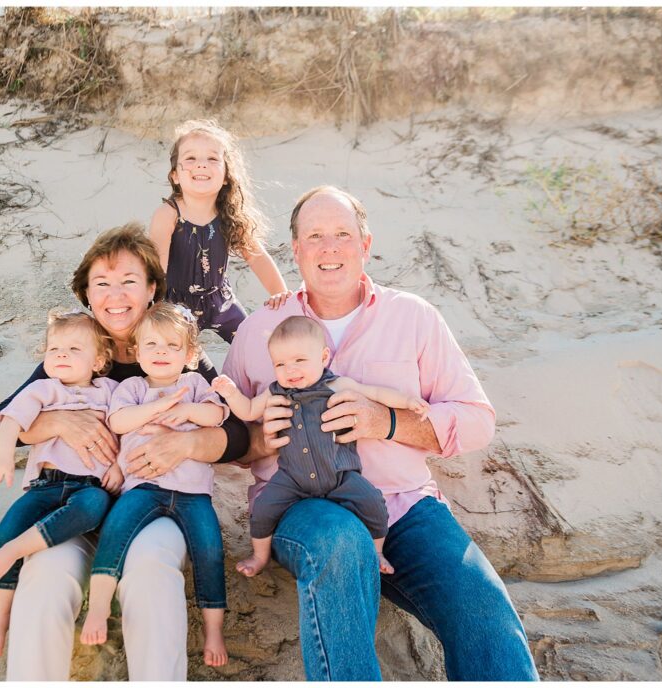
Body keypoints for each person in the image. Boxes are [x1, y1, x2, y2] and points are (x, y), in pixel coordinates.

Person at [222, 186, 539, 681]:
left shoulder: (412, 317)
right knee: (341, 539)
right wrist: (262, 439)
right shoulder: (259, 329)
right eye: (315, 236)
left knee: (483, 611)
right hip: (302, 508)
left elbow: (477, 418)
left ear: (365, 244)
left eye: (343, 235)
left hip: (405, 505)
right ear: (297, 250)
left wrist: (386, 422)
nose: (330, 248)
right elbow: (231, 436)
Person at [0, 223, 249, 680]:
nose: (116, 295)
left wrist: (187, 442)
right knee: (45, 575)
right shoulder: (75, 351)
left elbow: (239, 433)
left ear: (151, 289)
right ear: (87, 294)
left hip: (152, 506)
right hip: (74, 505)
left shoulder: (173, 348)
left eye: (129, 281)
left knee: (149, 570)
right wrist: (59, 421)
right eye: (102, 284)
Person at [212, 315, 429, 577]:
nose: (289, 370)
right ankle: (259, 556)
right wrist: (232, 393)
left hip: (340, 475)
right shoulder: (276, 392)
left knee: (373, 503)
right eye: (280, 364)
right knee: (263, 508)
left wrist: (407, 401)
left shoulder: (337, 385)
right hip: (292, 477)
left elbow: (376, 394)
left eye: (299, 361)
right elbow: (247, 411)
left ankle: (377, 550)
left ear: (324, 357)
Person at [80, 303, 229, 667]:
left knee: (210, 552)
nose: (161, 352)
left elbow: (218, 415)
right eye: (152, 345)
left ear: (190, 354)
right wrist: (156, 410)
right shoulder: (131, 387)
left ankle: (214, 631)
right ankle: (98, 608)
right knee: (116, 531)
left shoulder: (194, 385)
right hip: (143, 488)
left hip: (194, 495)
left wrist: (187, 411)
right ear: (136, 351)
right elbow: (118, 421)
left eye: (172, 346)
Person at [0, 310, 121, 659]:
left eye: (74, 349)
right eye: (54, 348)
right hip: (46, 484)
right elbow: (10, 421)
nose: (61, 355)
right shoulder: (43, 389)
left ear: (99, 360)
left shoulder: (110, 391)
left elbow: (126, 429)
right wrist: (1, 458)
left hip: (90, 486)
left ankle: (19, 549)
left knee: (92, 508)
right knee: (4, 532)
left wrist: (119, 464)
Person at [148, 119, 291, 343]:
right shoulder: (168, 214)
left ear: (226, 176)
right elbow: (156, 269)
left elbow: (258, 258)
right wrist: (154, 313)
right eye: (191, 158)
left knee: (251, 343)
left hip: (221, 301)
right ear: (175, 174)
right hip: (175, 305)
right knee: (186, 363)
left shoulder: (230, 214)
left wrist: (281, 295)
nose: (201, 164)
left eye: (212, 158)